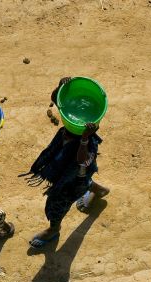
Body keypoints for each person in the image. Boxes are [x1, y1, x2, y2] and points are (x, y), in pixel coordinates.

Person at [21, 77, 110, 248]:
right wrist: (62, 87)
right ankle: (100, 191)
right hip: (77, 175)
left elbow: (81, 161)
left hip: (73, 182)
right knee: (84, 180)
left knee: (56, 206)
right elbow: (57, 100)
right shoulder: (69, 130)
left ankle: (53, 230)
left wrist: (83, 139)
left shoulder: (89, 145)